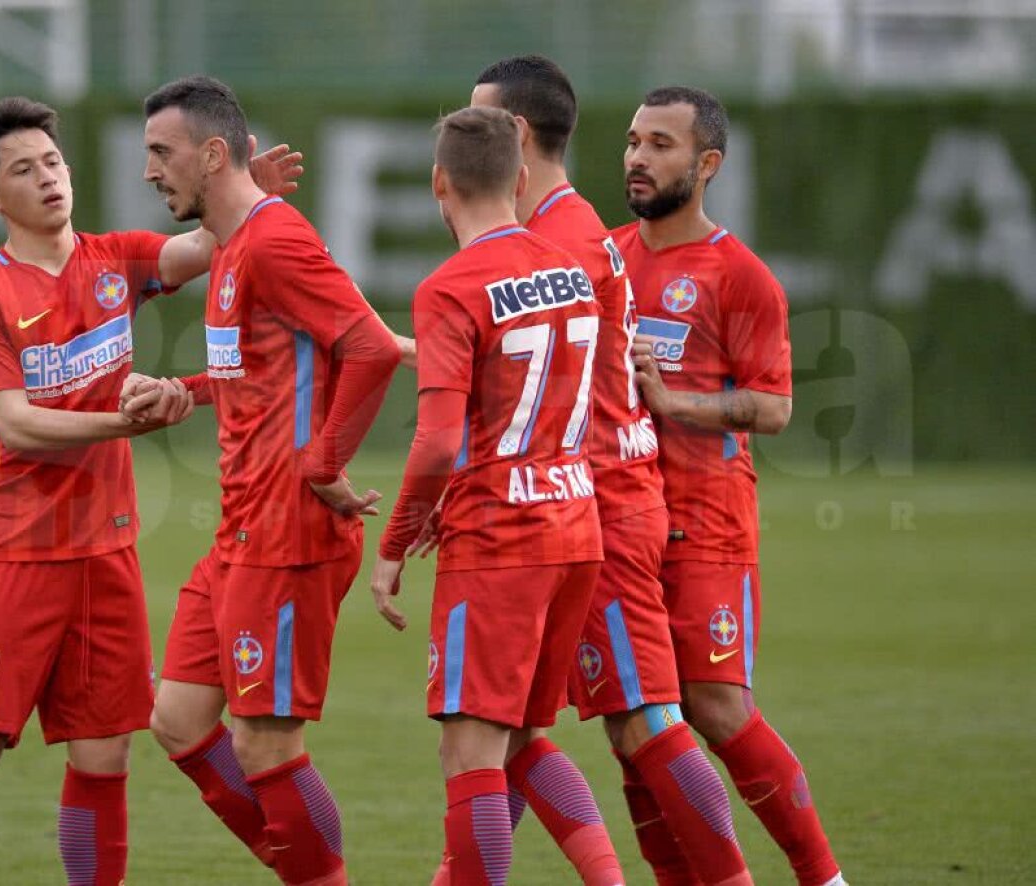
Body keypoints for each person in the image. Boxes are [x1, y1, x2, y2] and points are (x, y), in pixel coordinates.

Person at [0, 96, 301, 885]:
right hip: (12, 556)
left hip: (105, 553)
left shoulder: (113, 258)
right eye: (23, 169)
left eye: (52, 161)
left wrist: (240, 198)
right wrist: (130, 426)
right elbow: (14, 426)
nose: (48, 178)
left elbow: (201, 246)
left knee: (103, 752)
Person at [466, 57, 752, 886]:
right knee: (505, 727)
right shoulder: (566, 227)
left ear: (515, 135)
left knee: (644, 723)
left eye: (479, 123)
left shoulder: (553, 240)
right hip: (579, 499)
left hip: (595, 500)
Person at [135, 75, 400, 886]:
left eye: (161, 152)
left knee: (266, 744)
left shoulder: (275, 240)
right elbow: (259, 371)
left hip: (288, 535)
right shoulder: (233, 244)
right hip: (241, 532)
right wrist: (190, 389)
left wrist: (321, 463)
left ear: (213, 154)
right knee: (179, 721)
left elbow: (373, 349)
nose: (150, 170)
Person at [370, 104, 624, 886]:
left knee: (470, 752)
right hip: (576, 529)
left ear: (437, 183)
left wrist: (391, 543)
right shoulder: (573, 271)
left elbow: (440, 440)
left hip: (500, 546)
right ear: (519, 179)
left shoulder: (450, 287)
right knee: (517, 744)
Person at [612, 86, 847, 886]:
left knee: (714, 707)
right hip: (620, 529)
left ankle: (824, 878)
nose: (639, 158)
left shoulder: (738, 275)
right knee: (636, 725)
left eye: (661, 145)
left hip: (707, 526)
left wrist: (676, 403)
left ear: (707, 164)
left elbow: (774, 407)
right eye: (635, 141)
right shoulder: (606, 258)